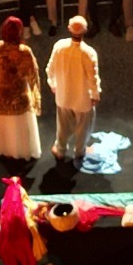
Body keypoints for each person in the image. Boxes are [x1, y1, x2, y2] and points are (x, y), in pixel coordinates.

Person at [45, 14, 101, 161]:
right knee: (83, 126)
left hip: (63, 95)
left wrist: (53, 85)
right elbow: (93, 78)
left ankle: (60, 149)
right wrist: (95, 95)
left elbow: (50, 69)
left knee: (63, 126)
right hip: (82, 99)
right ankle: (80, 151)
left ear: (69, 29)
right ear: (85, 31)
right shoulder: (89, 53)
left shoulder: (59, 46)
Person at [0, 18, 42, 165]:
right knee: (20, 129)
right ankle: (22, 152)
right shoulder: (24, 52)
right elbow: (32, 74)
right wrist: (36, 96)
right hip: (19, 98)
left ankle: (5, 150)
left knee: (5, 128)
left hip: (1, 97)